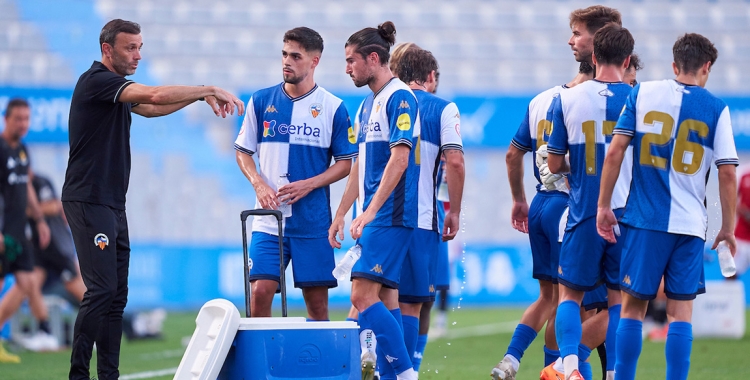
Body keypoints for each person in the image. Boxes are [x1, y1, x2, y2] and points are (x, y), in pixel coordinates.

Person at [61, 19, 243, 380]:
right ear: (106, 50)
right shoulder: (96, 81)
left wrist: (195, 96)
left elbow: (152, 109)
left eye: (140, 47)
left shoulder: (115, 91)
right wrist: (206, 87)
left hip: (112, 203)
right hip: (88, 199)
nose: (138, 55)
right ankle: (78, 374)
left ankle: (108, 375)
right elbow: (154, 96)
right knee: (101, 291)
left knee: (116, 296)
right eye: (131, 48)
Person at [597, 33, 738, 380]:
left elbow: (615, 151)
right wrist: (728, 228)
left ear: (674, 65)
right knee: (680, 314)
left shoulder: (642, 93)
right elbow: (728, 173)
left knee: (631, 311)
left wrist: (603, 205)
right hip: (690, 226)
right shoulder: (717, 109)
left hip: (645, 220)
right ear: (707, 67)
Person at [492, 6, 622, 380]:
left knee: (554, 297)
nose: (570, 40)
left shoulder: (545, 99)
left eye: (576, 33)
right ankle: (572, 366)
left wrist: (519, 199)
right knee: (602, 304)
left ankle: (521, 360)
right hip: (578, 206)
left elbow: (514, 153)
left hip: (541, 202)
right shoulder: (616, 97)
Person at [234, 27, 356, 320]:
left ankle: (316, 366)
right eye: (285, 54)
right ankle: (261, 364)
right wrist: (258, 182)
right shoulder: (261, 101)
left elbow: (345, 164)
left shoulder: (333, 107)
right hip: (268, 220)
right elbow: (243, 150)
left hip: (313, 222)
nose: (287, 61)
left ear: (314, 61)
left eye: (296, 56)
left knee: (317, 305)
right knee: (260, 293)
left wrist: (309, 185)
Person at [329, 21, 420, 380]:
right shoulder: (367, 105)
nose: (347, 67)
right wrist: (340, 213)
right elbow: (358, 168)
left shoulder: (400, 97)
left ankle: (405, 374)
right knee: (385, 299)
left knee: (361, 296)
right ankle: (389, 373)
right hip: (377, 215)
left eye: (351, 60)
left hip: (390, 215)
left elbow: (399, 159)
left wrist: (369, 211)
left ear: (372, 58)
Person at [546, 22, 635, 380]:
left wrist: (579, 164)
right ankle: (614, 372)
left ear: (594, 56)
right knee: (619, 303)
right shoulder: (639, 98)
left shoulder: (565, 98)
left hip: (583, 212)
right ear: (628, 60)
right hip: (625, 215)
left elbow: (553, 164)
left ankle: (568, 367)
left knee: (569, 296)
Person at [393, 48, 464, 377]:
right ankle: (404, 367)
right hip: (423, 217)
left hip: (383, 216)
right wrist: (455, 211)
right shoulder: (441, 108)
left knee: (386, 293)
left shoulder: (381, 102)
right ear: (431, 77)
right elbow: (455, 162)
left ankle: (395, 363)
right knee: (413, 298)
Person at [0, 98, 53, 361]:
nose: (23, 124)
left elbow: (26, 186)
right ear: (6, 119)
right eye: (18, 119)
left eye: (26, 119)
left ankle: (41, 331)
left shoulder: (22, 149)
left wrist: (40, 219)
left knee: (27, 282)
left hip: (19, 231)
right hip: (2, 231)